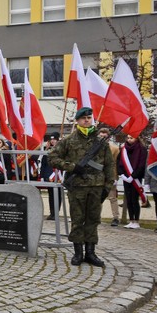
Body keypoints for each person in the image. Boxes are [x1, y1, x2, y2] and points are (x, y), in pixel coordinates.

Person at [48, 107, 116, 268]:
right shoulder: (69, 140)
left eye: (89, 117)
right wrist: (71, 167)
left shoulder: (101, 142)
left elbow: (109, 166)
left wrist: (107, 187)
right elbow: (52, 157)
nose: (87, 120)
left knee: (93, 220)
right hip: (77, 187)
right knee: (78, 220)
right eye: (83, 118)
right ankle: (78, 253)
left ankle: (90, 253)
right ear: (77, 120)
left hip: (97, 186)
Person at [118, 134, 147, 229]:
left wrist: (133, 176)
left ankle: (136, 221)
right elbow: (119, 162)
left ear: (137, 138)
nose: (129, 140)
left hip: (136, 178)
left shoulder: (141, 149)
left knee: (134, 199)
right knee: (129, 199)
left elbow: (142, 165)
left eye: (132, 138)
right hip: (126, 177)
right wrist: (122, 174)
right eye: (128, 138)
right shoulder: (123, 149)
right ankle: (131, 220)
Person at [97, 128, 121, 226]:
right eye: (101, 136)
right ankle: (97, 217)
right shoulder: (95, 147)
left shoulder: (114, 148)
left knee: (112, 198)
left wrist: (115, 177)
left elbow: (115, 164)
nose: (102, 138)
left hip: (110, 176)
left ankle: (115, 217)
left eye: (104, 136)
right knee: (98, 198)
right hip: (98, 176)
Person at [39, 133, 64, 220]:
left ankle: (56, 213)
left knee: (58, 195)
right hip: (48, 175)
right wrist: (42, 175)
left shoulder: (62, 150)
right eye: (51, 140)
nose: (53, 141)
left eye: (54, 139)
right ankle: (52, 213)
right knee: (51, 195)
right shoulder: (47, 150)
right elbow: (43, 163)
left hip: (58, 176)